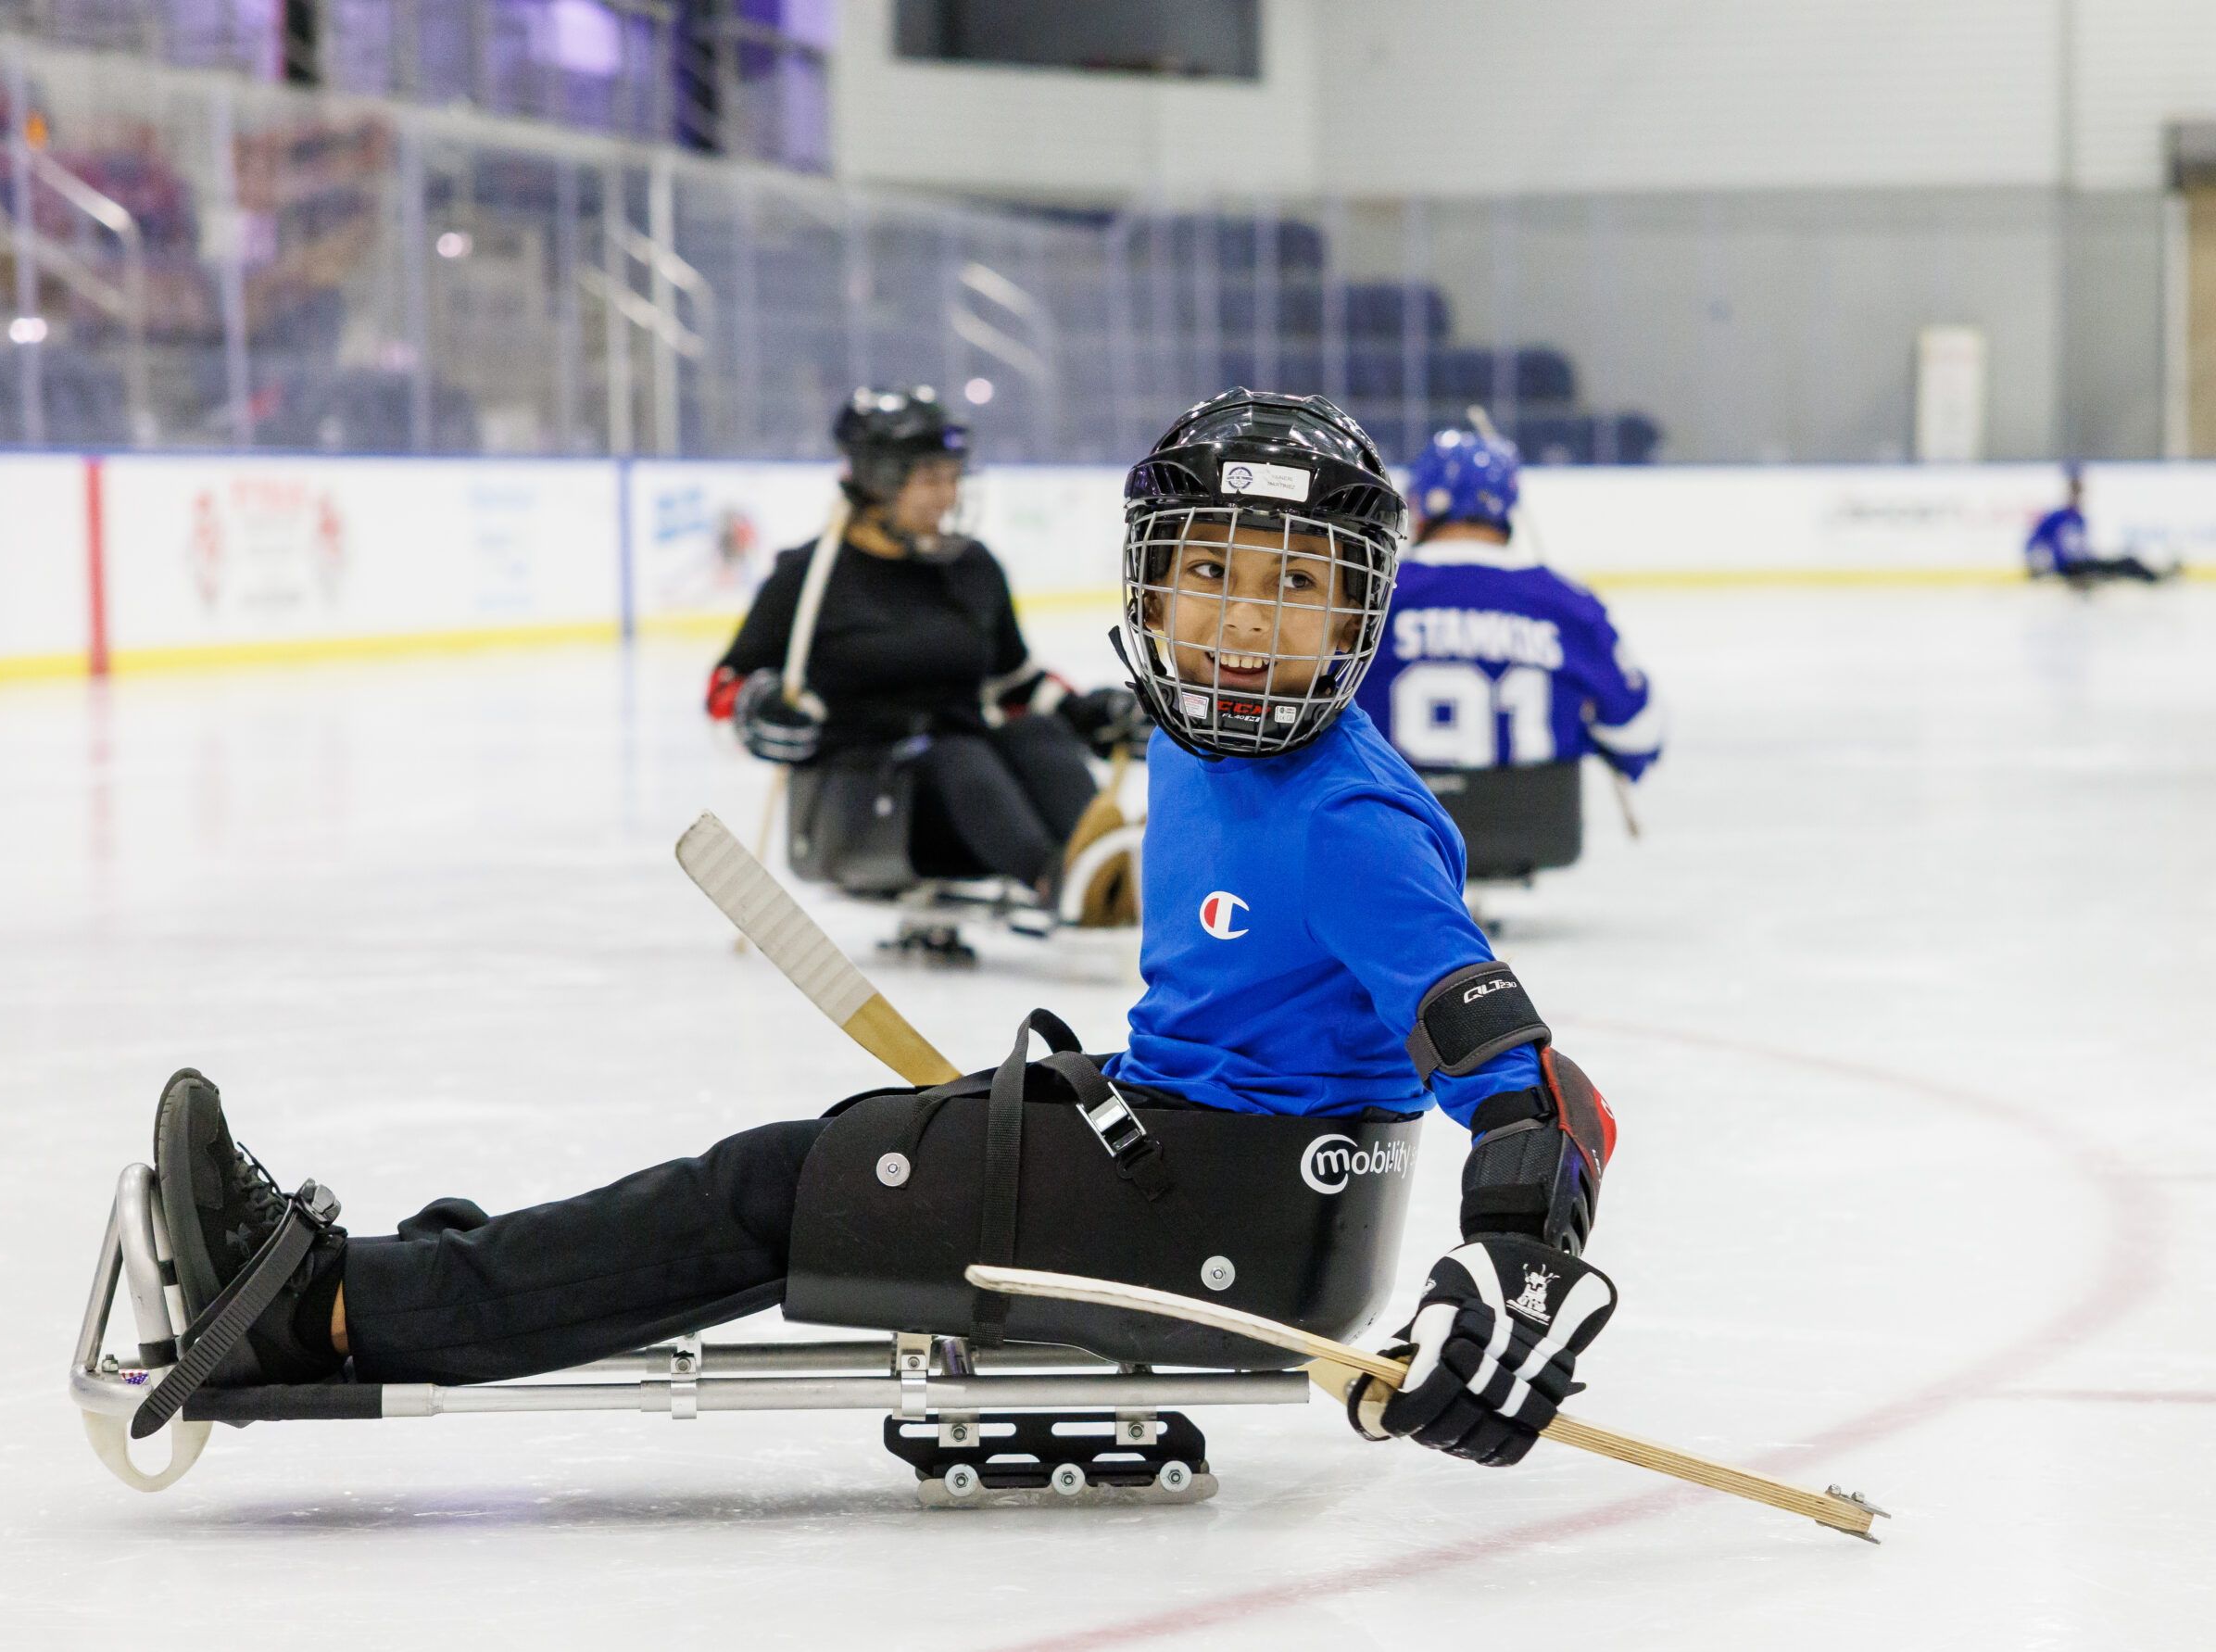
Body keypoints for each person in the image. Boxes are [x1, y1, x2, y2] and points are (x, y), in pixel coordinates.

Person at [145, 390, 1620, 1470]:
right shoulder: (1194, 739)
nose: (1245, 622)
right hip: (1175, 1150)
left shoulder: (1350, 821)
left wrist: (1517, 1259)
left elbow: (1536, 1086)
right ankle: (416, 1274)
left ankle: (328, 1308)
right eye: (1213, 571)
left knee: (761, 1192)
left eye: (1296, 582)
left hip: (1228, 1224)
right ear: (1153, 585)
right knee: (820, 1160)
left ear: (1359, 609)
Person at [704, 386, 1140, 898]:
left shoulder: (973, 567)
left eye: (953, 477)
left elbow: (1014, 681)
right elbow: (725, 686)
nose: (948, 496)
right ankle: (1059, 883)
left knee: (1035, 737)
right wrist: (761, 707)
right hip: (858, 809)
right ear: (874, 481)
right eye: (930, 479)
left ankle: (1105, 875)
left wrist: (1083, 712)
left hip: (966, 801)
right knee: (957, 756)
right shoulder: (809, 575)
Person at [1353, 429, 1662, 784]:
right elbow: (1641, 733)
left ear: (1420, 504)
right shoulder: (1567, 605)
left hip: (1398, 833)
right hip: (1539, 835)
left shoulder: (1375, 595)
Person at [2024, 466, 2175, 586]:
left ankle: (2155, 577)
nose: (2077, 496)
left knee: (2126, 561)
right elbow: (2032, 543)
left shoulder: (2080, 519)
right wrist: (2041, 565)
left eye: (2079, 493)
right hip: (2069, 568)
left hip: (2085, 565)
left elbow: (2084, 549)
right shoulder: (2055, 517)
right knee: (2114, 565)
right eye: (2075, 492)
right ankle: (2156, 578)